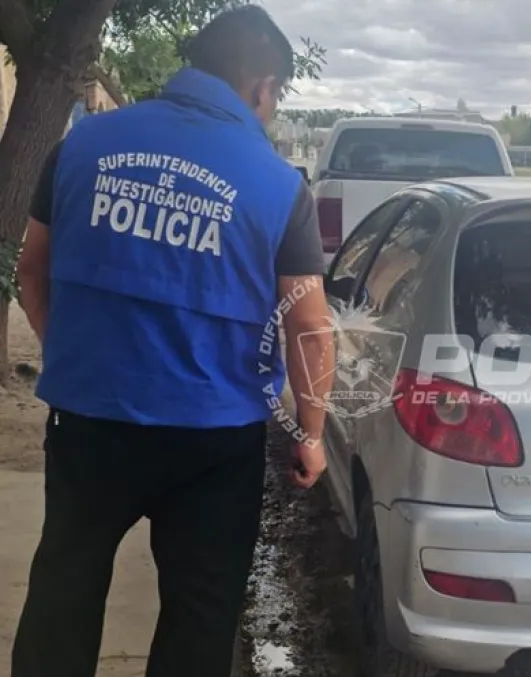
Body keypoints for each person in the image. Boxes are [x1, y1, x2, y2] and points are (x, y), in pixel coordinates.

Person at [11, 6, 335, 677]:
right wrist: (311, 432)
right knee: (200, 614)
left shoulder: (82, 147)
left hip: (90, 425)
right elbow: (308, 325)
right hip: (214, 446)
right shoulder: (278, 185)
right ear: (262, 88)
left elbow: (31, 270)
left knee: (63, 594)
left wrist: (73, 354)